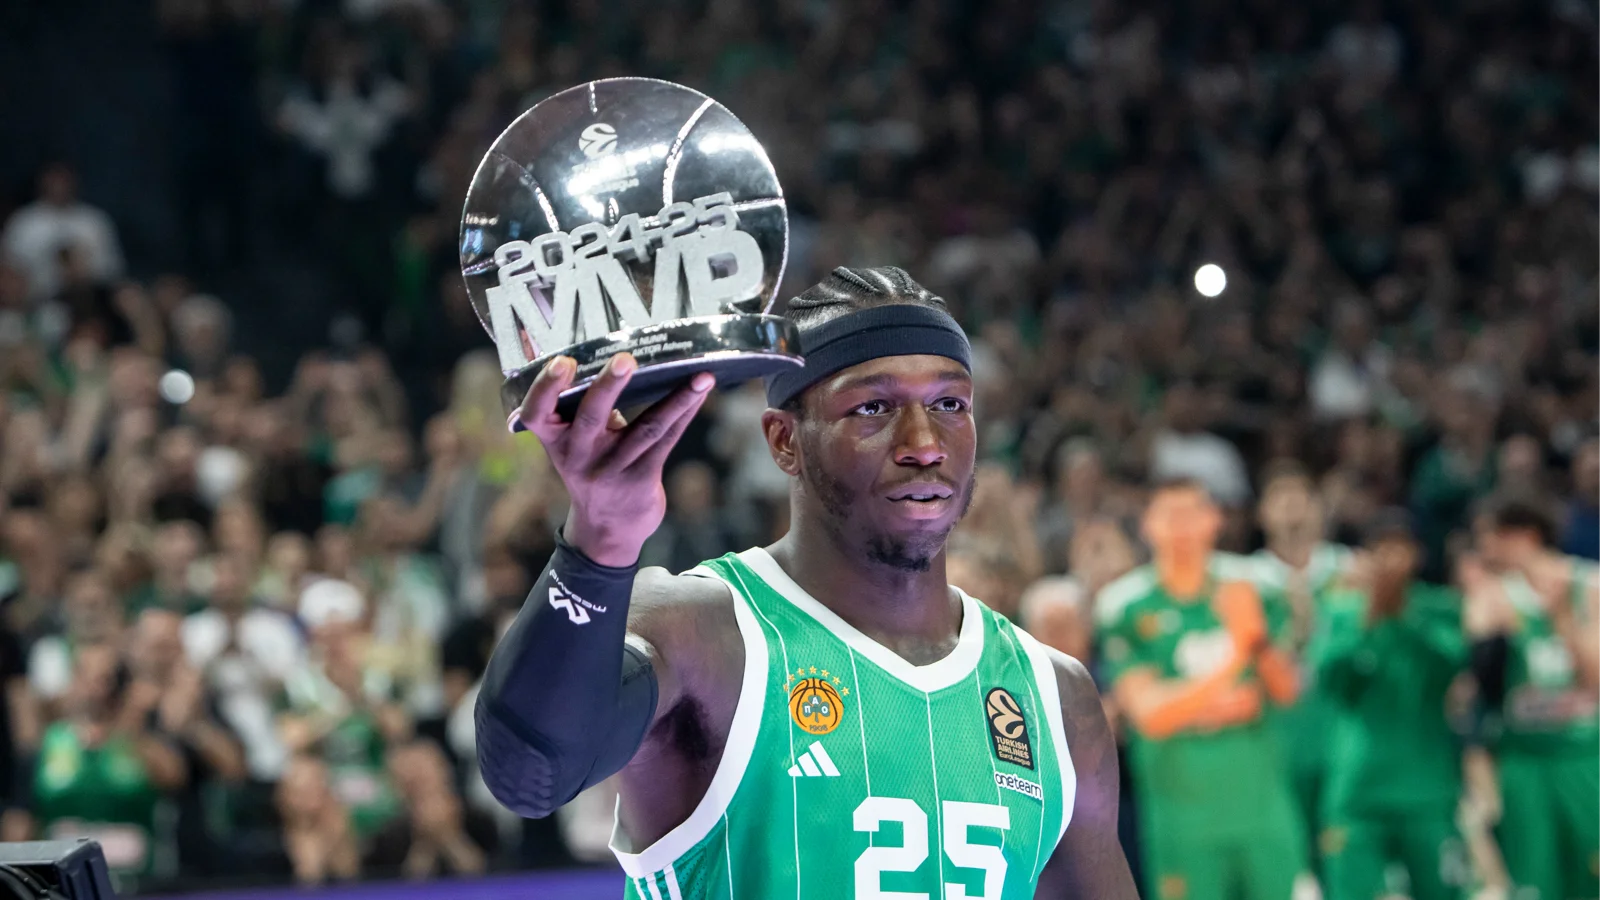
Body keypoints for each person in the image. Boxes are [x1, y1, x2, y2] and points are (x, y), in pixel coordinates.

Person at [476, 267, 1136, 898]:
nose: (924, 442)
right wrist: (599, 545)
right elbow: (528, 774)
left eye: (949, 404)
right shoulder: (702, 628)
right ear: (784, 441)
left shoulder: (1054, 696)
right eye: (873, 407)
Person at [1096, 478, 1309, 900]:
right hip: (1183, 816)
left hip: (1263, 809)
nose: (1182, 527)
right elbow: (1151, 715)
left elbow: (1287, 691)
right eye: (1170, 515)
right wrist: (1237, 659)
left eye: (1192, 513)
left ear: (1215, 519)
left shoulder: (1255, 586)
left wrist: (1260, 645)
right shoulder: (1125, 606)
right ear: (1147, 525)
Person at [1311, 510, 1469, 900]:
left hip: (1427, 790)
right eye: (1381, 550)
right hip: (1358, 790)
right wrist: (1368, 618)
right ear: (1365, 557)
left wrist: (1405, 615)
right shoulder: (1342, 611)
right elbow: (1329, 680)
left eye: (1401, 550)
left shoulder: (1440, 608)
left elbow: (1452, 666)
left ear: (1418, 555)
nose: (1391, 561)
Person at [1466, 493, 1600, 900]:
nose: (1483, 548)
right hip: (1523, 760)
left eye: (1489, 536)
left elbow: (1596, 679)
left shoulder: (1588, 585)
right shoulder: (1491, 596)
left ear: (1523, 535)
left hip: (1583, 756)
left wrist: (1563, 619)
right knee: (1533, 883)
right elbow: (1478, 690)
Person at [1243, 461, 1353, 861]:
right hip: (1277, 740)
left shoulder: (1351, 572)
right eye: (1280, 499)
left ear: (1318, 509)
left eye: (1301, 498)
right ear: (1262, 513)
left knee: (1342, 856)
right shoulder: (1243, 582)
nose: (1292, 508)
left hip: (1339, 734)